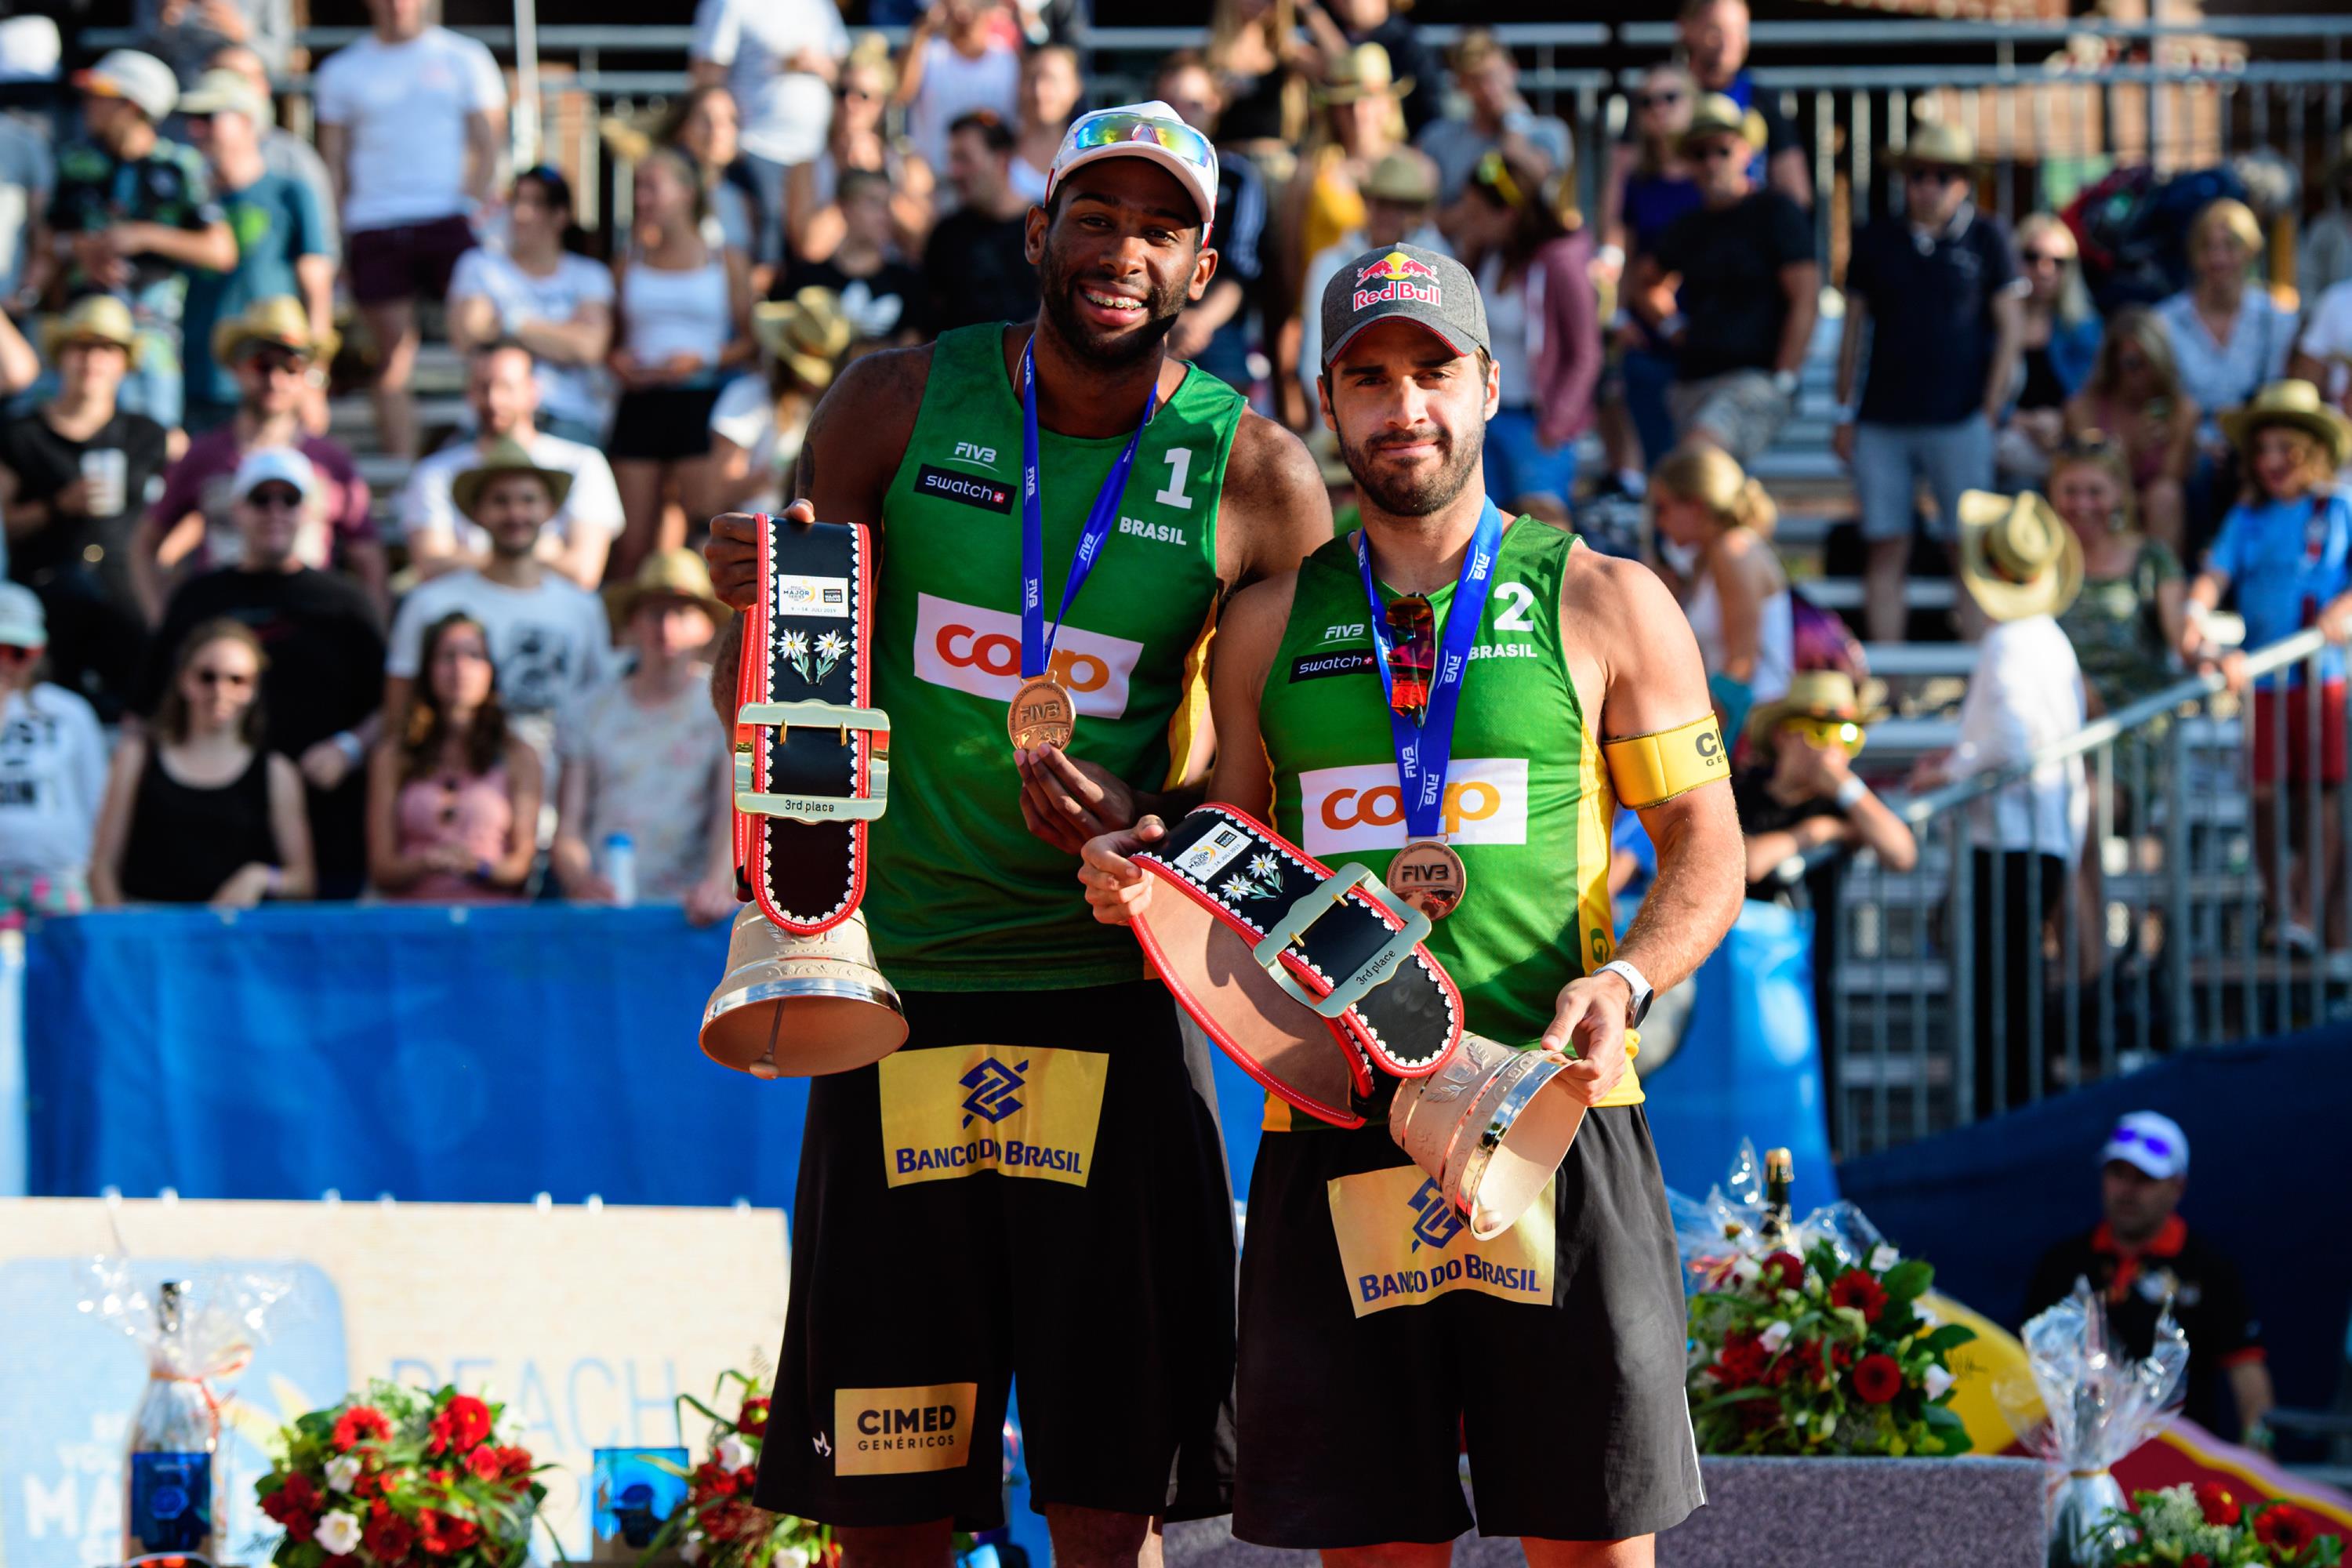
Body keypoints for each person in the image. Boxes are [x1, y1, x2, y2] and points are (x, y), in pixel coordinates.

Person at [701, 100, 1331, 1563]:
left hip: (1111, 1000)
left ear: (1205, 271)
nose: (1123, 252)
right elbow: (808, 657)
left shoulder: (1255, 475)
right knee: (893, 1508)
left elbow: (1285, 776)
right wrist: (760, 574)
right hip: (893, 995)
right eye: (1095, 219)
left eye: (1161, 228)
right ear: (1039, 234)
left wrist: (1155, 830)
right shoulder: (893, 402)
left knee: (1110, 1509)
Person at [1080, 238, 1742, 1559]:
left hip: (1557, 1116)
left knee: (1594, 1547)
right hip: (1336, 1124)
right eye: (1369, 378)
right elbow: (1228, 834)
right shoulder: (1264, 624)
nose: (1405, 406)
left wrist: (1623, 982)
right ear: (1329, 403)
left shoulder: (1608, 599)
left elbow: (1705, 848)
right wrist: (1142, 875)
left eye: (1433, 369)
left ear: (1492, 384)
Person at [134, 446, 385, 898]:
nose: (275, 512)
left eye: (288, 500)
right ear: (236, 510)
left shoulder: (346, 602)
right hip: (215, 832)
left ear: (309, 511)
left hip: (327, 822)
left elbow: (392, 707)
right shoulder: (197, 599)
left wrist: (348, 749)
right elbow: (148, 708)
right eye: (260, 499)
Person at [1911, 490, 2086, 1109]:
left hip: (2011, 843)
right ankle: (2016, 1105)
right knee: (2014, 990)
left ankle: (2003, 1111)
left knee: (2000, 996)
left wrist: (1950, 770)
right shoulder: (2048, 640)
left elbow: (2010, 739)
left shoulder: (2010, 642)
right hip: (2039, 838)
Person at [1835, 122, 2022, 647]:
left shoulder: (1989, 236)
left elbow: (2010, 329)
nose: (1929, 185)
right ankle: (1889, 688)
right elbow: (1852, 332)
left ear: (1964, 181)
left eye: (1944, 175)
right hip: (1881, 420)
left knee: (1970, 549)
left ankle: (1980, 680)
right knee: (1885, 546)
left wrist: (1989, 407)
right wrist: (1843, 413)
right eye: (1919, 174)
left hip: (1961, 418)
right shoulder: (1875, 239)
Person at [2180, 381, 2352, 949]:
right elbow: (2214, 576)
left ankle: (2306, 909)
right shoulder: (2246, 519)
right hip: (2262, 679)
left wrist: (2339, 615)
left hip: (2321, 677)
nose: (2272, 461)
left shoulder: (2339, 507)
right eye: (2263, 449)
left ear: (2312, 449)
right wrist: (2193, 616)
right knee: (2265, 793)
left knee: (2319, 793)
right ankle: (2280, 908)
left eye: (2286, 447)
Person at [313, 0, 506, 462]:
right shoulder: (342, 70)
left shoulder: (466, 57)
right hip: (373, 225)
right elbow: (332, 163)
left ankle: (491, 461)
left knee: (482, 345)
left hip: (449, 222)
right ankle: (406, 475)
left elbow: (491, 141)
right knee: (392, 362)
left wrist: (471, 208)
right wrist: (337, 237)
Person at [2024, 1112, 2274, 1440]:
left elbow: (2247, 1373)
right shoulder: (2063, 1262)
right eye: (2117, 1174)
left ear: (2177, 1188)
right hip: (2077, 1455)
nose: (2127, 1190)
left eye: (2144, 1178)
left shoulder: (2209, 1267)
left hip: (2180, 1464)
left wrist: (2260, 1454)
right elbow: (2026, 1366)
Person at [135, 297, 382, 619]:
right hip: (223, 628)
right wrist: (164, 622)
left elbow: (368, 558)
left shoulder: (331, 461)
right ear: (237, 368)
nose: (275, 380)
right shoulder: (204, 455)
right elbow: (145, 544)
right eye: (262, 364)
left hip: (309, 625)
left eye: (290, 366)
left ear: (305, 374)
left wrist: (373, 637)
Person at [386, 437, 612, 774]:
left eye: (528, 499)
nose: (516, 513)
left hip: (558, 795)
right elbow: (398, 719)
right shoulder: (429, 603)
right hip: (462, 798)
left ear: (550, 509)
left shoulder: (583, 608)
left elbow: (598, 711)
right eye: (500, 501)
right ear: (476, 513)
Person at [46, 48, 236, 430]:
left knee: (151, 455)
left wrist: (146, 236)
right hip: (83, 342)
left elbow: (221, 250)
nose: (89, 104)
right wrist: (80, 249)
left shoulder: (180, 167)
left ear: (132, 106)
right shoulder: (75, 163)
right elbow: (46, 240)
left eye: (101, 95)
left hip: (152, 343)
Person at [0, 297, 169, 720]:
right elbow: (4, 524)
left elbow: (190, 504)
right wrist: (57, 506)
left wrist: (159, 553)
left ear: (124, 362)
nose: (92, 360)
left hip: (121, 590)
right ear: (62, 356)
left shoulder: (146, 433)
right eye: (81, 347)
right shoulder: (23, 435)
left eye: (106, 348)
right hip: (46, 590)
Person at [1627, 94, 1817, 466]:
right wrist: (1673, 328)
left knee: (1697, 465)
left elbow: (1806, 297)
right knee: (1692, 485)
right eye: (1700, 154)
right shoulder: (1688, 226)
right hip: (1692, 383)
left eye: (1722, 151)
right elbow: (1645, 282)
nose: (1712, 162)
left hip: (1754, 382)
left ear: (1746, 151)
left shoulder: (1777, 213)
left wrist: (1784, 378)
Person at [550, 550, 735, 922]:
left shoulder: (724, 707)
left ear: (707, 626)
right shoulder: (588, 708)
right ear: (633, 622)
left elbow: (729, 810)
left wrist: (716, 885)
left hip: (688, 913)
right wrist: (580, 881)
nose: (666, 628)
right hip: (605, 912)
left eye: (682, 614)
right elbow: (568, 823)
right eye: (654, 613)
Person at [90, 616, 314, 906]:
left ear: (255, 688)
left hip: (231, 941)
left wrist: (259, 877)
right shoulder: (137, 756)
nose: (221, 690)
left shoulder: (276, 772)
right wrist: (123, 939)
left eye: (238, 679)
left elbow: (303, 880)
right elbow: (102, 867)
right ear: (184, 680)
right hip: (150, 934)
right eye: (207, 677)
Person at [609, 147, 753, 577]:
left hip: (701, 402)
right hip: (640, 403)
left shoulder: (726, 260)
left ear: (687, 192)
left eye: (652, 187)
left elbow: (750, 342)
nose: (642, 199)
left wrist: (701, 359)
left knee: (703, 532)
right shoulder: (627, 262)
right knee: (633, 543)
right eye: (639, 188)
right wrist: (617, 361)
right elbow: (611, 341)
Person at [174, 65, 330, 436]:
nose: (197, 131)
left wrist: (314, 378)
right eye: (194, 120)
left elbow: (316, 285)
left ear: (247, 121)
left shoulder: (289, 192)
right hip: (199, 377)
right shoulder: (184, 196)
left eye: (209, 118)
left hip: (274, 380)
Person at [401, 339, 626, 590]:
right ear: (469, 394)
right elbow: (431, 568)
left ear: (533, 391)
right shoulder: (434, 472)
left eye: (506, 387)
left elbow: (582, 572)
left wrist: (467, 556)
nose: (494, 400)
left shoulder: (583, 463)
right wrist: (543, 555)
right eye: (483, 387)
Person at [1446, 147, 1597, 520]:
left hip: (1537, 423)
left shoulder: (1560, 263)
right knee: (1483, 526)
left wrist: (1557, 423)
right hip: (1485, 420)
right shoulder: (1486, 256)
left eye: (1477, 212)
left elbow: (1586, 352)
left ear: (1509, 213)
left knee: (1542, 533)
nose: (1468, 220)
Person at [367, 608, 539, 903]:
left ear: (491, 671)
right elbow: (381, 867)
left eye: (474, 656)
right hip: (411, 923)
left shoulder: (518, 755)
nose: (460, 669)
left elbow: (521, 865)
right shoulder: (394, 756)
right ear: (428, 669)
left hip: (492, 922)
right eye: (447, 657)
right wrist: (428, 862)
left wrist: (478, 867)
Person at [447, 165, 615, 447]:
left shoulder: (589, 274)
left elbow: (589, 348)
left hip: (567, 417)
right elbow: (468, 335)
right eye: (517, 202)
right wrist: (562, 336)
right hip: (491, 415)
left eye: (535, 204)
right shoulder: (479, 265)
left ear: (560, 216)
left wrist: (509, 323)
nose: (519, 214)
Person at [2155, 198, 2294, 538]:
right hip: (2190, 444)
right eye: (2208, 248)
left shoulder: (2276, 319)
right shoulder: (2165, 321)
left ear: (2250, 252)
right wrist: (2200, 441)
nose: (2218, 259)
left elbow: (2280, 395)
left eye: (2229, 247)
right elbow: (2160, 403)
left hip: (2256, 439)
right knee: (2200, 470)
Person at [1598, 63, 1701, 479]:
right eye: (1647, 102)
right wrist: (1619, 315)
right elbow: (1629, 249)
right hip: (1648, 337)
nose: (1658, 109)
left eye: (1670, 98)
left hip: (1705, 341)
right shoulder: (1639, 179)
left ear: (1693, 103)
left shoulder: (1711, 174)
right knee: (1660, 468)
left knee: (1700, 467)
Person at [1735, 670, 1915, 904]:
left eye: (1848, 735)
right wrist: (1814, 833)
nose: (1834, 749)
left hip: (1819, 939)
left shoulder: (1846, 802)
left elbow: (1902, 856)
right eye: (1820, 732)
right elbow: (1749, 863)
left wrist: (1847, 788)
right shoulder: (1742, 789)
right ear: (1783, 735)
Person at [1650, 440, 1789, 740]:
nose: (1659, 523)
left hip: (1754, 731)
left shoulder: (1732, 550)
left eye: (1663, 508)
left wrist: (1707, 753)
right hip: (1738, 721)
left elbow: (1741, 667)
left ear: (1696, 506)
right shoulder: (1708, 556)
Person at [1295, 148, 1443, 424]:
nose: (1390, 214)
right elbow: (1314, 352)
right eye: (1382, 202)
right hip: (1347, 409)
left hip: (1413, 413)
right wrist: (1340, 411)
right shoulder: (1329, 263)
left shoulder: (1437, 261)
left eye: (1402, 205)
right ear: (1367, 202)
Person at [688, 0, 847, 250]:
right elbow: (707, 80)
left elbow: (842, 69)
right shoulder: (729, 4)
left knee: (807, 249)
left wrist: (820, 65)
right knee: (763, 252)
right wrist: (724, 137)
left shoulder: (821, 6)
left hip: (813, 153)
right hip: (756, 148)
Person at [1157, 55, 1269, 397]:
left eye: (1193, 102)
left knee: (1229, 412)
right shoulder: (1140, 175)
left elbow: (1240, 269)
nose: (1182, 112)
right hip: (1146, 313)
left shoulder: (1238, 177)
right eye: (1171, 103)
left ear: (1215, 105)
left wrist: (1199, 322)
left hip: (1216, 320)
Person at [2052, 436, 2186, 718]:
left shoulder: (2152, 558)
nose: (2082, 504)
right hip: (2063, 728)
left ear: (2118, 494)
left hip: (2140, 730)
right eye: (2070, 491)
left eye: (2095, 492)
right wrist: (2075, 684)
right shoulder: (2040, 565)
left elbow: (2182, 635)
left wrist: (2212, 655)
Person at [0, 583, 107, 917]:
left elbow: (98, 798)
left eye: (18, 652)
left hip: (60, 879)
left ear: (39, 650)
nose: (7, 663)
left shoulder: (70, 711)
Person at [784, 38, 935, 266]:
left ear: (883, 104)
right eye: (842, 92)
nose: (851, 104)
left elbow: (922, 243)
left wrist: (877, 180)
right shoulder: (807, 168)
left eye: (864, 96)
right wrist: (849, 180)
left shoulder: (909, 166)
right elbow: (810, 248)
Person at [706, 289, 849, 517]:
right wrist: (784, 472)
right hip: (757, 530)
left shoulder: (835, 407)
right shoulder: (747, 397)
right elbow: (721, 491)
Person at [2063, 307, 2196, 552]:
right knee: (2089, 495)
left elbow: (2171, 478)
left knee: (2164, 496)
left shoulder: (2181, 410)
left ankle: (2161, 578)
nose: (2143, 375)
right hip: (2096, 503)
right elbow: (2085, 477)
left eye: (2152, 363)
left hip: (2150, 512)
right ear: (2113, 363)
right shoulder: (2084, 409)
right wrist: (2130, 452)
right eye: (2133, 363)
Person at [208, 43, 339, 276]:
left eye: (241, 78)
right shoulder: (184, 158)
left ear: (264, 86)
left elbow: (322, 249)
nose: (230, 88)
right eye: (220, 77)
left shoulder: (293, 158)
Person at [1998, 212, 2103, 491]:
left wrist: (2062, 422)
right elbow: (1978, 395)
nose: (2044, 270)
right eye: (2032, 257)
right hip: (2008, 435)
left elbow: (2092, 393)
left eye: (2057, 262)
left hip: (2066, 438)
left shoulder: (2083, 327)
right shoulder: (1994, 325)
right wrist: (2022, 421)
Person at [1673, 0, 1809, 205]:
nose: (1729, 41)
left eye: (1739, 30)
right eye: (1716, 29)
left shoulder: (1762, 100)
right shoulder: (1662, 100)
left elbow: (1796, 194)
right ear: (1686, 29)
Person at [1414, 31, 1570, 205]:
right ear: (1460, 85)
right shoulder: (1437, 139)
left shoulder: (1550, 131)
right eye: (1476, 80)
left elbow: (1535, 184)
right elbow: (1423, 214)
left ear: (1512, 70)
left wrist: (1514, 121)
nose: (1489, 90)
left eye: (1495, 76)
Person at [919, 111, 1038, 337]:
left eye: (964, 159)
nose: (954, 172)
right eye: (952, 159)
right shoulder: (946, 235)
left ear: (1002, 160)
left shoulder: (1046, 228)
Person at [775, 170, 921, 348]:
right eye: (874, 203)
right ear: (844, 209)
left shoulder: (908, 281)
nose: (885, 215)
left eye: (888, 204)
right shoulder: (805, 278)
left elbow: (915, 353)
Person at [896, 0, 1023, 176]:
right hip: (935, 177)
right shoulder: (928, 53)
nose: (967, 14)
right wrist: (922, 30)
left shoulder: (1007, 59)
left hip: (989, 181)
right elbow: (901, 94)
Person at [652, 85, 763, 277]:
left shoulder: (749, 190)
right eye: (705, 119)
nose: (716, 130)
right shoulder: (663, 191)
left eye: (729, 120)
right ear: (683, 128)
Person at [1298, 0, 1443, 142]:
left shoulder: (1409, 48)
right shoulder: (1318, 41)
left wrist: (1312, 12)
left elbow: (1431, 117)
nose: (1357, 111)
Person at [1207, 0, 1308, 159]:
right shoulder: (1207, 57)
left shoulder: (1288, 55)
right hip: (1226, 163)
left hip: (1277, 165)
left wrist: (1310, 8)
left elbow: (1338, 65)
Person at [133, 0, 290, 89]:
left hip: (241, 104)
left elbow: (281, 59)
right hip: (179, 101)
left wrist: (241, 34)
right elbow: (142, 56)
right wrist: (165, 25)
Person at [1007, 45, 1081, 206]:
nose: (1039, 91)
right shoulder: (998, 153)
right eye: (1031, 79)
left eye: (1052, 80)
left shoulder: (1089, 156)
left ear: (1076, 87)